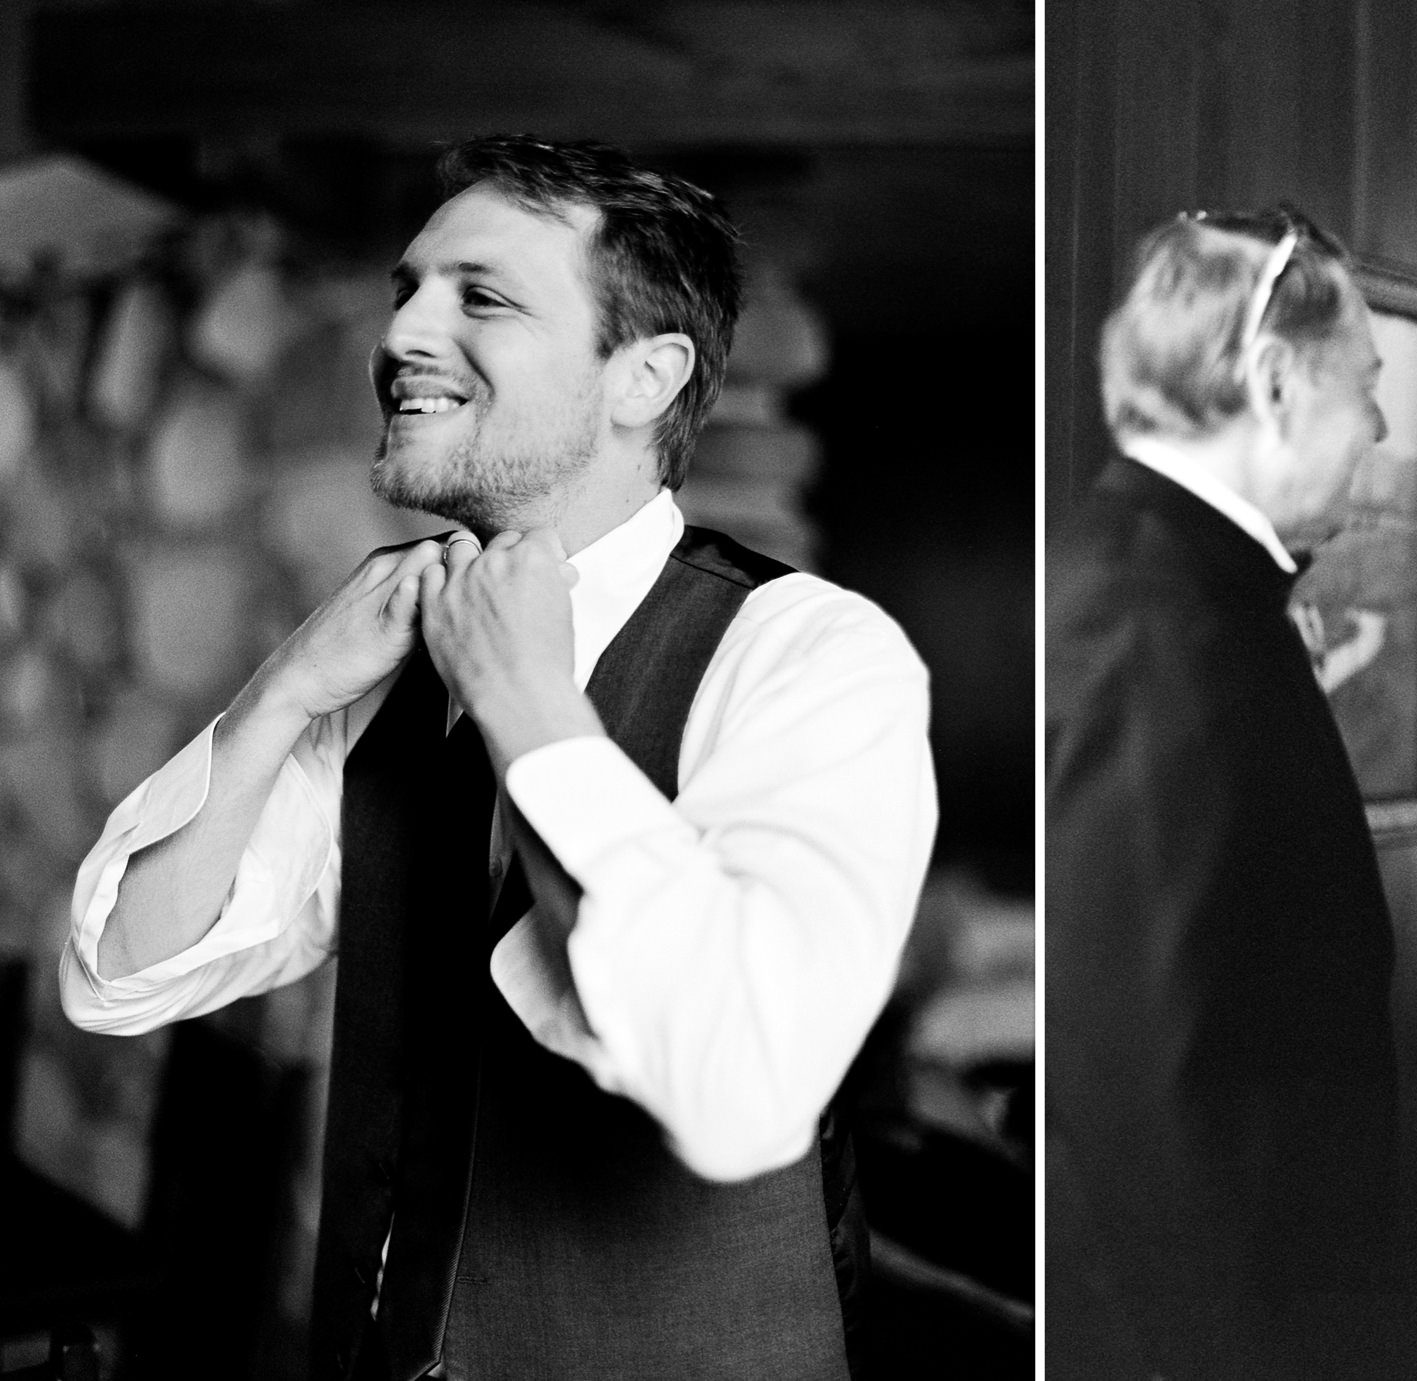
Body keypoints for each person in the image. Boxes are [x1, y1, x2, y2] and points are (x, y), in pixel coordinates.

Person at [60, 135, 936, 1380]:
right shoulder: (383, 665)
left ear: (645, 375)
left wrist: (529, 708)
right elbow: (122, 974)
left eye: (481, 296)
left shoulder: (810, 657)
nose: (404, 333)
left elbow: (743, 1079)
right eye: (405, 290)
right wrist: (284, 690)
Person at [1046, 207, 1399, 1376]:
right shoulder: (1155, 623)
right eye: (1366, 382)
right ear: (1276, 381)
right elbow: (1142, 1088)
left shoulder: (1197, 586)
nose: (1382, 425)